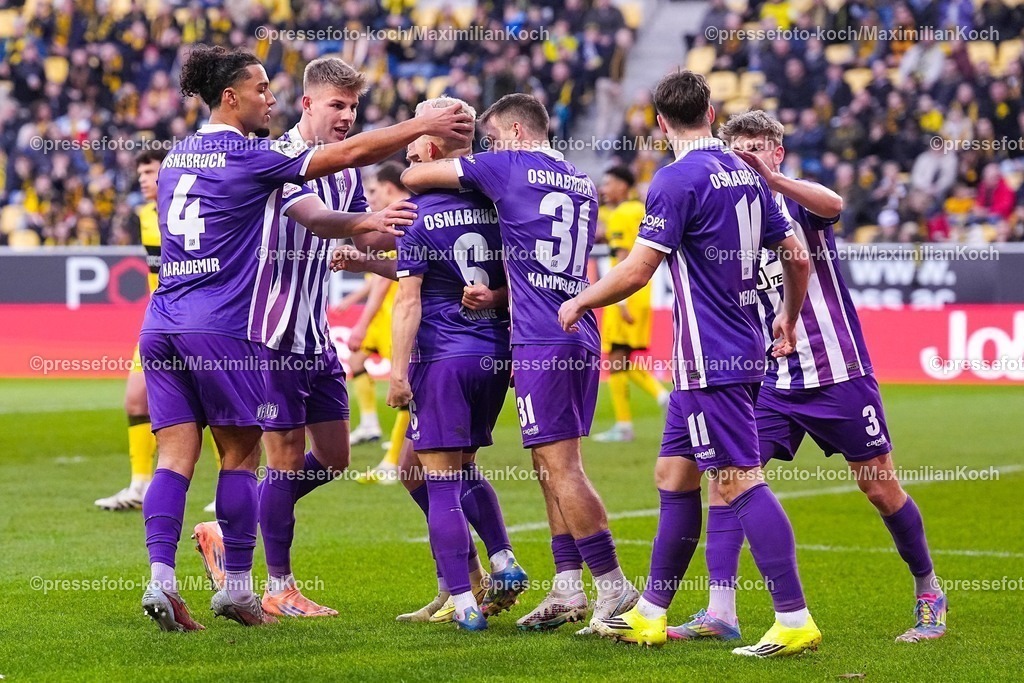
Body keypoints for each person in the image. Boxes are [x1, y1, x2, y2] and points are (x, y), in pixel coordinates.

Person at [138, 44, 471, 632]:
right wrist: (423, 126)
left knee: (184, 459)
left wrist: (401, 228)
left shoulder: (177, 156)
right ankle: (251, 586)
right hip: (237, 327)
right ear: (230, 97)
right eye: (262, 89)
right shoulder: (262, 155)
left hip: (168, 319)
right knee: (245, 458)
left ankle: (162, 579)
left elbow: (351, 212)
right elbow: (328, 193)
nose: (271, 98)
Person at [558, 70, 819, 656]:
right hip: (737, 347)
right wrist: (789, 316)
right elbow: (797, 257)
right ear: (711, 112)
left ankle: (794, 617)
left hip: (711, 359)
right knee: (673, 476)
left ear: (659, 123)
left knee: (739, 480)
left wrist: (579, 300)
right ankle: (651, 612)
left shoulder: (675, 179)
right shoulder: (747, 173)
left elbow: (637, 270)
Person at [670, 110, 945, 645]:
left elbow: (834, 204)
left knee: (878, 486)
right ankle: (720, 611)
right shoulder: (727, 211)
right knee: (730, 477)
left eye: (759, 146)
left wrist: (771, 181)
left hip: (838, 370)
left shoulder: (794, 200)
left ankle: (929, 590)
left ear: (778, 151)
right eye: (739, 148)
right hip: (773, 378)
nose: (749, 156)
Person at [190, 56, 419, 619]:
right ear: (308, 103)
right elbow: (321, 220)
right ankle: (279, 585)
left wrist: (420, 235)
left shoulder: (345, 172)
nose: (347, 116)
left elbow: (366, 242)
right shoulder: (280, 159)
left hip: (315, 335)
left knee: (334, 457)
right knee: (286, 458)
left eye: (354, 107)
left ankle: (228, 529)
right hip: (270, 335)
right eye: (337, 105)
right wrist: (371, 223)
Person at [403, 93, 639, 634]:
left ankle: (613, 585)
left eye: (491, 138)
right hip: (576, 327)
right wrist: (500, 296)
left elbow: (415, 178)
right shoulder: (581, 182)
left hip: (542, 338)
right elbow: (544, 259)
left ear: (514, 132)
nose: (487, 148)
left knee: (562, 468)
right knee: (549, 463)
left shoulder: (507, 165)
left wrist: (431, 145)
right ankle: (567, 586)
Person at [388, 96, 527, 630]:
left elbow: (410, 301)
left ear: (430, 147)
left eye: (414, 145)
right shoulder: (503, 203)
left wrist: (397, 373)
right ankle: (503, 559)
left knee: (440, 481)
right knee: (460, 468)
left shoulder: (417, 213)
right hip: (492, 353)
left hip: (442, 357)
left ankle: (464, 601)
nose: (409, 155)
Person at [591, 165, 668, 444]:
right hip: (642, 293)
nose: (604, 189)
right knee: (621, 359)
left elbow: (623, 257)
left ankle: (625, 424)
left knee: (615, 358)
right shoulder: (639, 210)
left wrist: (620, 299)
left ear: (623, 186)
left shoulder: (621, 214)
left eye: (608, 183)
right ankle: (661, 396)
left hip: (624, 293)